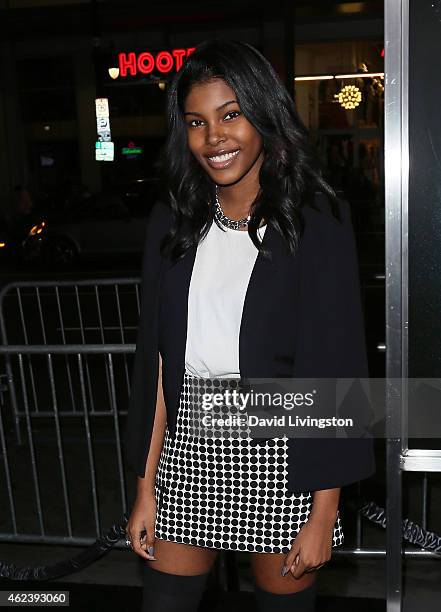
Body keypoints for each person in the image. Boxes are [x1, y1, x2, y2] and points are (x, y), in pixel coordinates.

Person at [123, 39, 376, 612]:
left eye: (230, 115)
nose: (214, 138)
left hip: (283, 451)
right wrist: (145, 490)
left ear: (264, 112)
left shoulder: (316, 220)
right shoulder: (173, 221)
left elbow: (333, 368)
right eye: (196, 122)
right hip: (188, 449)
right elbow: (160, 364)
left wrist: (324, 510)